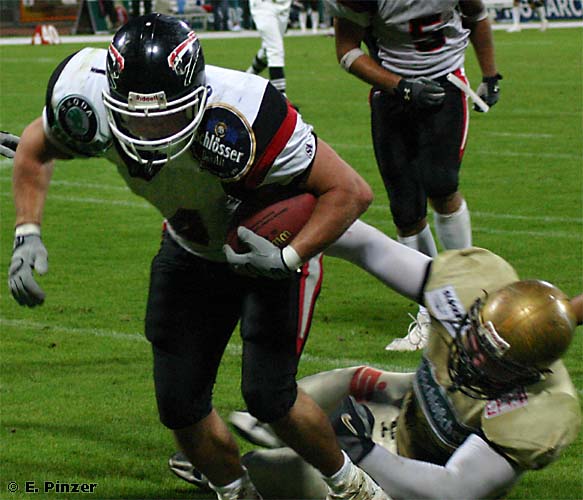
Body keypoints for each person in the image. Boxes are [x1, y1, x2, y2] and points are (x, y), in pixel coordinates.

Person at [5, 13, 396, 500]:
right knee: (179, 404)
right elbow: (35, 147)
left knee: (270, 396)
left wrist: (288, 256)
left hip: (269, 250)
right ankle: (234, 491)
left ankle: (355, 488)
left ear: (198, 95)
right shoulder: (83, 96)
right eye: (134, 114)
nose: (148, 129)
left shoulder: (247, 113)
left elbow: (350, 191)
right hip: (190, 247)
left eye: (164, 115)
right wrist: (27, 232)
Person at [169, 243, 582, 499]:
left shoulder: (543, 412)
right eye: (476, 339)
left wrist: (358, 450)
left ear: (530, 374)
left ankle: (238, 469)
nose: (473, 358)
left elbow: (452, 490)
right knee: (357, 379)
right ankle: (274, 422)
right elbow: (368, 246)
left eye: (492, 360)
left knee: (308, 479)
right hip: (409, 413)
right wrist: (298, 235)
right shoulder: (474, 283)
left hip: (421, 477)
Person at [323, 0, 502, 351]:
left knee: (442, 186)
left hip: (445, 83)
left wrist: (491, 75)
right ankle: (432, 308)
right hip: (392, 93)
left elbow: (476, 15)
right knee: (406, 210)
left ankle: (469, 291)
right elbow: (347, 50)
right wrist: (400, 85)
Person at [246, 0, 292, 96]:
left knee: (267, 50)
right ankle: (281, 96)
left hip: (284, 5)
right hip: (263, 4)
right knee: (275, 49)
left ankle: (248, 76)